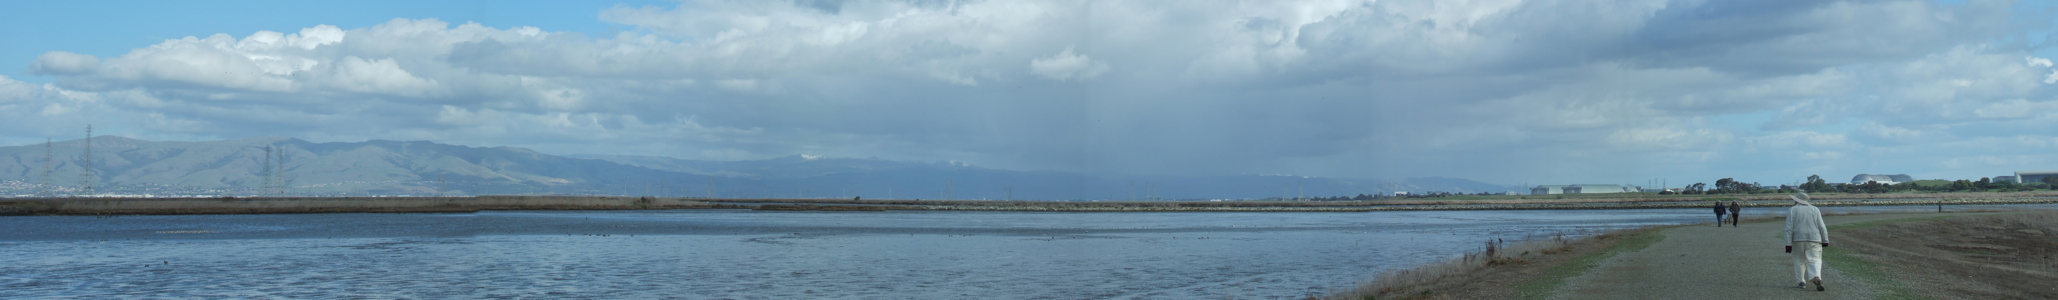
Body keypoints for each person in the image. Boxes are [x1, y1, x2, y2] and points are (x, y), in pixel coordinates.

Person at [1785, 192, 1829, 291]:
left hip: (1797, 239)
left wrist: (1787, 244)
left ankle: (1801, 281)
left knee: (1799, 260)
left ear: (1797, 200)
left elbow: (1788, 228)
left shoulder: (1792, 210)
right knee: (1815, 259)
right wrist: (1825, 240)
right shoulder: (1815, 209)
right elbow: (1822, 226)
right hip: (1814, 238)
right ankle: (1816, 276)